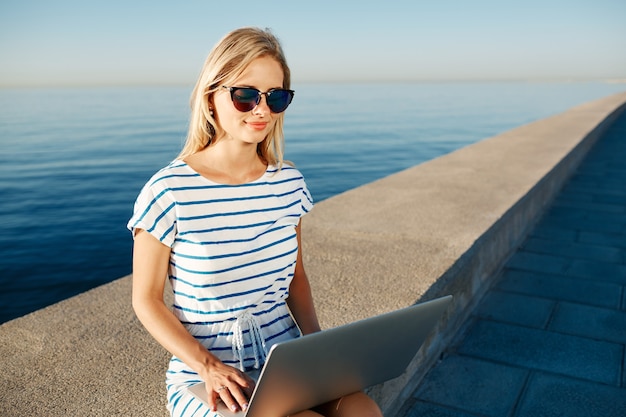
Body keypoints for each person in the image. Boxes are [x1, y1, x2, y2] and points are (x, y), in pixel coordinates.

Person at [127, 27, 383, 417]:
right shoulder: (169, 191)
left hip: (286, 360)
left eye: (275, 97)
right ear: (211, 97)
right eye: (245, 96)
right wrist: (208, 366)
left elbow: (296, 277)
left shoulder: (289, 183)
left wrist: (320, 348)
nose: (261, 110)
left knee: (363, 411)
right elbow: (145, 300)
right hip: (208, 375)